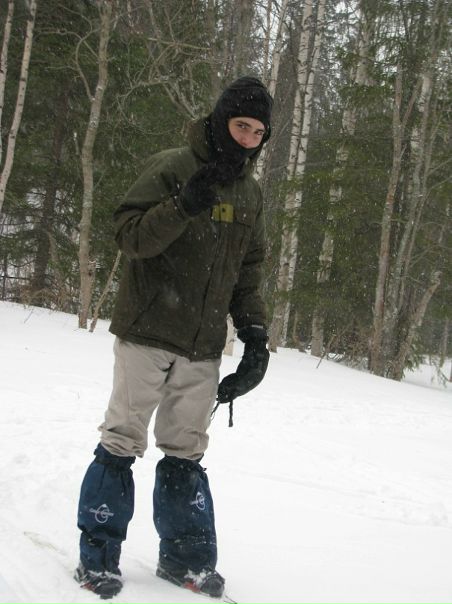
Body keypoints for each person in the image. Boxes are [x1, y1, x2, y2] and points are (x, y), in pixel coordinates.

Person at [74, 76, 273, 600]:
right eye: (242, 126)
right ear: (221, 120)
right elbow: (129, 237)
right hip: (147, 330)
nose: (248, 139)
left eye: (258, 132)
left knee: (186, 450)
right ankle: (97, 558)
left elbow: (248, 271)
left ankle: (185, 560)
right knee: (122, 440)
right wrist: (182, 205)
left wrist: (255, 336)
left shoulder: (251, 194)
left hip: (203, 345)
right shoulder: (171, 166)